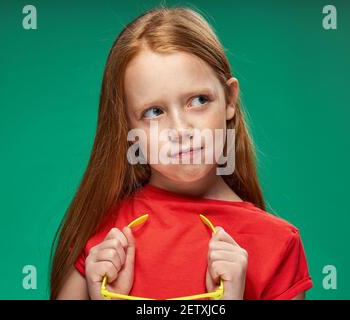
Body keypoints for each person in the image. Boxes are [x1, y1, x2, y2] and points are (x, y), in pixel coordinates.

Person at [50, 5, 313, 300]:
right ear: (127, 126)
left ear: (229, 99)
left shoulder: (277, 245)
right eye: (154, 111)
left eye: (198, 100)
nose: (180, 129)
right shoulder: (101, 238)